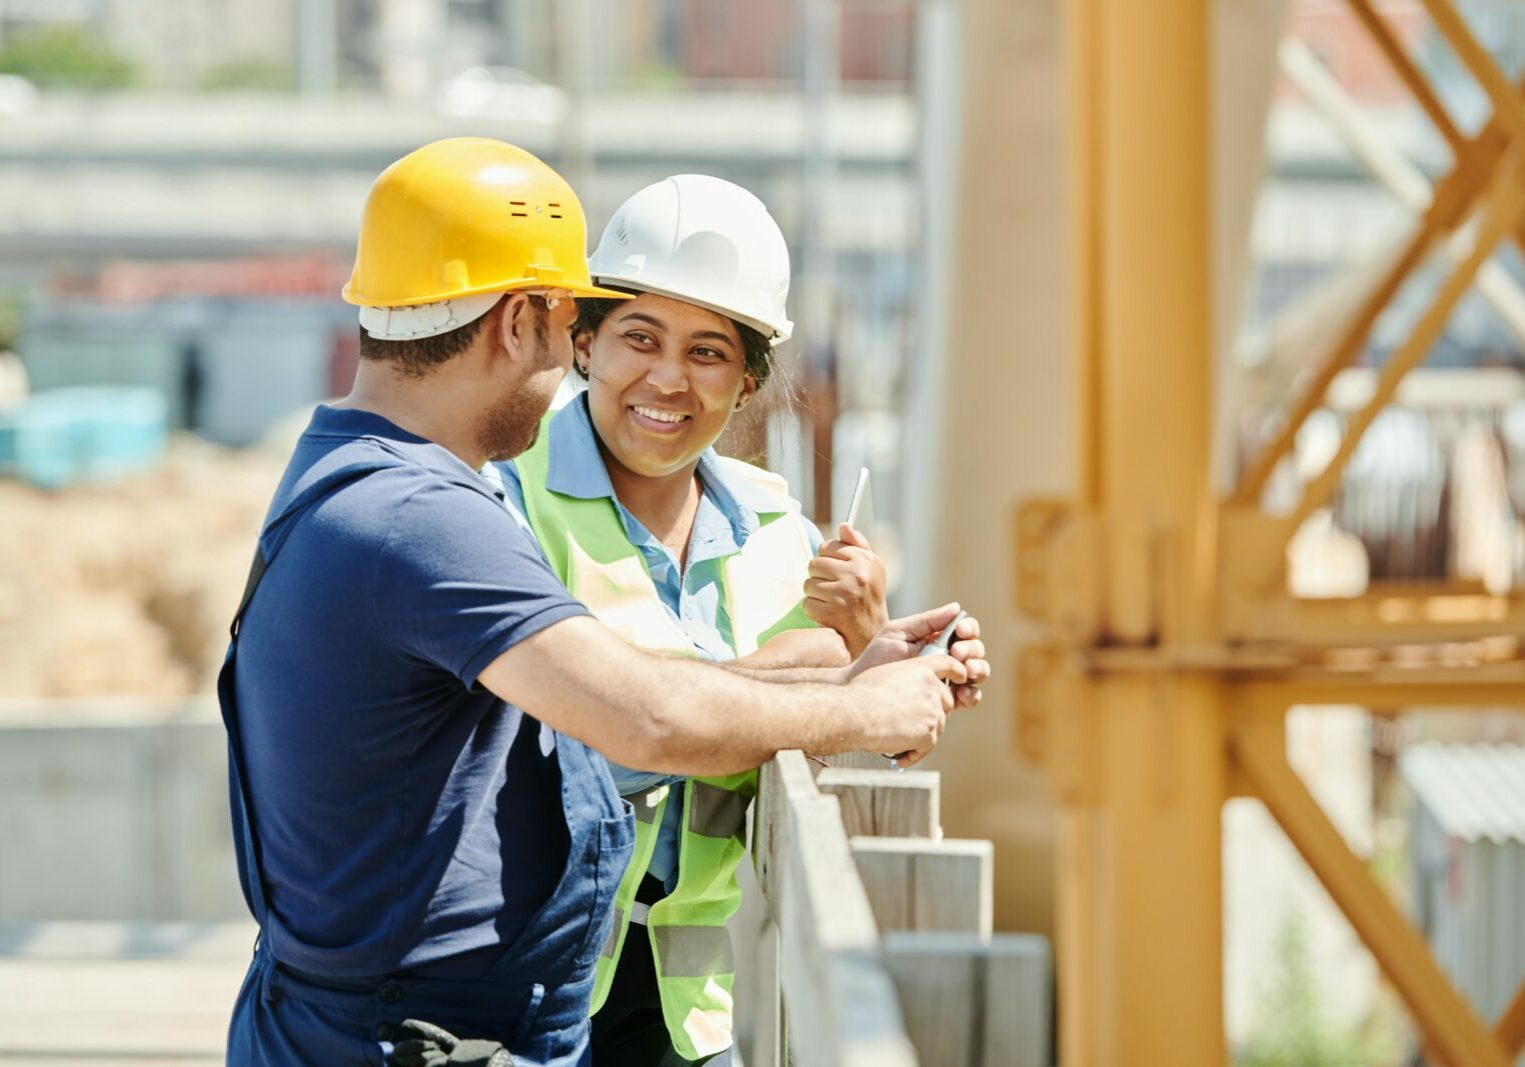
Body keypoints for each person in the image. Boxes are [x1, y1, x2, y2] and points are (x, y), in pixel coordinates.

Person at [221, 137, 986, 1067]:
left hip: (438, 1020)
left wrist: (845, 664)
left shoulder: (368, 481)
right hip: (408, 1032)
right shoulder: (429, 517)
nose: (572, 369)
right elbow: (643, 717)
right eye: (577, 327)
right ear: (522, 323)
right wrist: (854, 703)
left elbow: (614, 704)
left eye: (707, 351)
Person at [493, 174, 978, 1066]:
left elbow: (819, 736)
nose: (669, 378)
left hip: (690, 1009)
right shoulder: (507, 502)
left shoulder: (776, 530)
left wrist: (874, 655)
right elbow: (592, 729)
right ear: (587, 344)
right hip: (520, 989)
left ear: (748, 380)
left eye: (709, 351)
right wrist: (814, 673)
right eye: (640, 337)